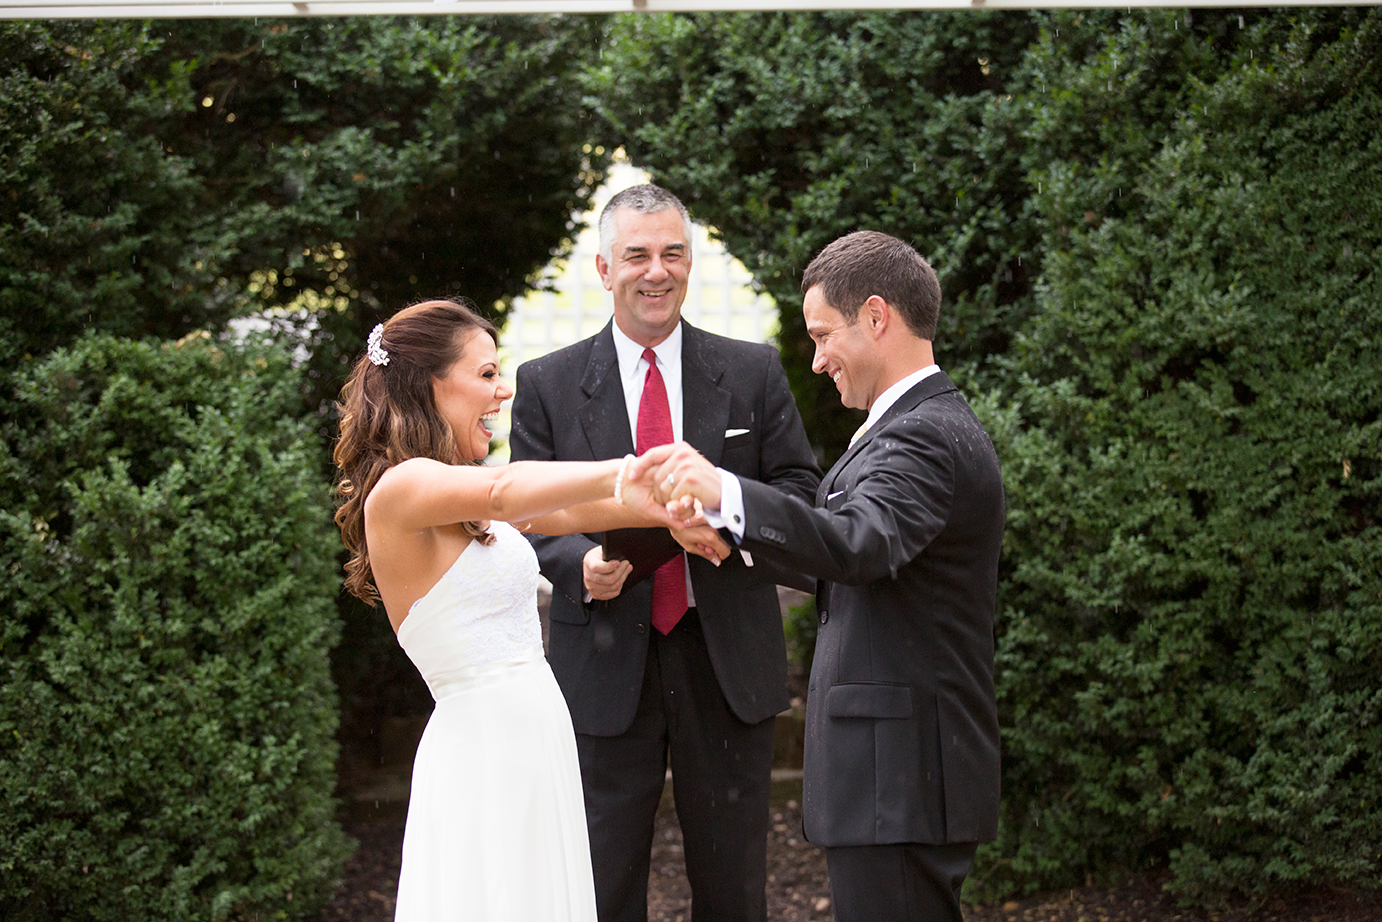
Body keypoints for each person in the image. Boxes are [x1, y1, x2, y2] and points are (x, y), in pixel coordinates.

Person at [631, 230, 1006, 922]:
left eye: (822, 335)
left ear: (875, 316)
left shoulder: (922, 434)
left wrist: (726, 491)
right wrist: (728, 539)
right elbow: (857, 559)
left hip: (900, 778)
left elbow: (860, 543)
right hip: (894, 777)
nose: (816, 359)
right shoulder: (909, 427)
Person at [333, 298, 707, 921]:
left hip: (536, 739)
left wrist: (673, 510)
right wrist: (633, 468)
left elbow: (569, 516)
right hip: (484, 751)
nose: (503, 392)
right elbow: (508, 490)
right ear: (430, 383)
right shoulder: (401, 489)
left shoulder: (459, 495)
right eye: (486, 375)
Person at [508, 184, 821, 922]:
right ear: (603, 267)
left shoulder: (751, 371)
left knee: (734, 883)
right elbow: (528, 511)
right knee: (602, 880)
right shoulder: (546, 383)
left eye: (673, 253)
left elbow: (800, 491)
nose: (657, 271)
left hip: (728, 659)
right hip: (604, 665)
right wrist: (577, 563)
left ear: (690, 263)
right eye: (638, 255)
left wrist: (729, 519)